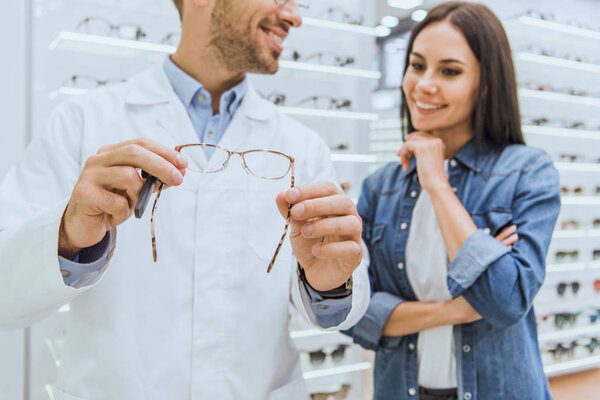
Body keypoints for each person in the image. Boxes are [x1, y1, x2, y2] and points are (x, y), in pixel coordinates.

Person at [0, 0, 370, 399]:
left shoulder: (302, 147)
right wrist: (68, 237)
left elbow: (343, 298)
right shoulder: (83, 122)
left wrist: (328, 286)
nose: (294, 15)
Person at [345, 2, 560, 400]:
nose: (424, 83)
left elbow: (507, 301)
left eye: (450, 71)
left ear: (486, 83)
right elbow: (354, 314)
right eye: (417, 65)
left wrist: (437, 184)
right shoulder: (381, 186)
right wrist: (454, 310)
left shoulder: (527, 172)